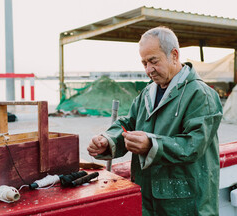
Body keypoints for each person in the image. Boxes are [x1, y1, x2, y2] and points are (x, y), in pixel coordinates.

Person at [87, 26, 223, 216]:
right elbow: (129, 123)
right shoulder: (147, 93)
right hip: (149, 201)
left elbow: (194, 144)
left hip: (186, 205)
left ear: (174, 55)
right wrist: (107, 140)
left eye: (153, 61)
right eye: (144, 63)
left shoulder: (201, 94)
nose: (149, 70)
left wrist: (152, 145)